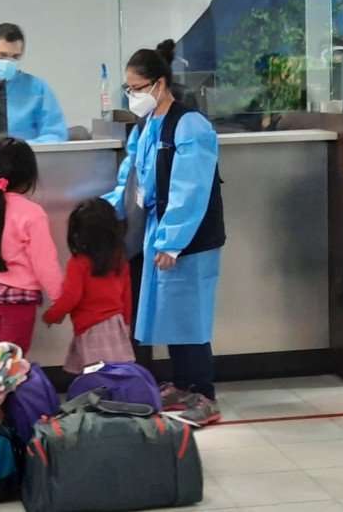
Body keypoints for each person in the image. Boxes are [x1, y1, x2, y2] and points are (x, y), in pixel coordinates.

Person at [104, 47, 225, 426]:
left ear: (159, 83)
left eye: (137, 87)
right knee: (169, 313)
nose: (133, 95)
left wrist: (172, 241)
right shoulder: (146, 127)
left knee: (190, 316)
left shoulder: (190, 125)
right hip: (157, 231)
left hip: (190, 238)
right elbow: (133, 180)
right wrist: (106, 210)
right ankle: (183, 383)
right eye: (128, 88)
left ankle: (204, 394)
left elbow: (191, 188)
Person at [0, 137, 63, 354]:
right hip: (17, 301)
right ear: (30, 175)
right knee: (12, 361)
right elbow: (45, 262)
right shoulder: (33, 214)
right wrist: (59, 298)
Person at [43, 198, 135, 373]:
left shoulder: (79, 264)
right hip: (116, 326)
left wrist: (52, 315)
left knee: (95, 376)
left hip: (90, 328)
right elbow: (126, 296)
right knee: (117, 374)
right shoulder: (119, 260)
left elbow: (71, 297)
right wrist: (126, 324)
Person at [0, 23, 68, 144]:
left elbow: (55, 135)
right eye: (2, 56)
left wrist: (18, 148)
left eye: (15, 57)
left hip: (24, 154)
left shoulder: (37, 89)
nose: (8, 62)